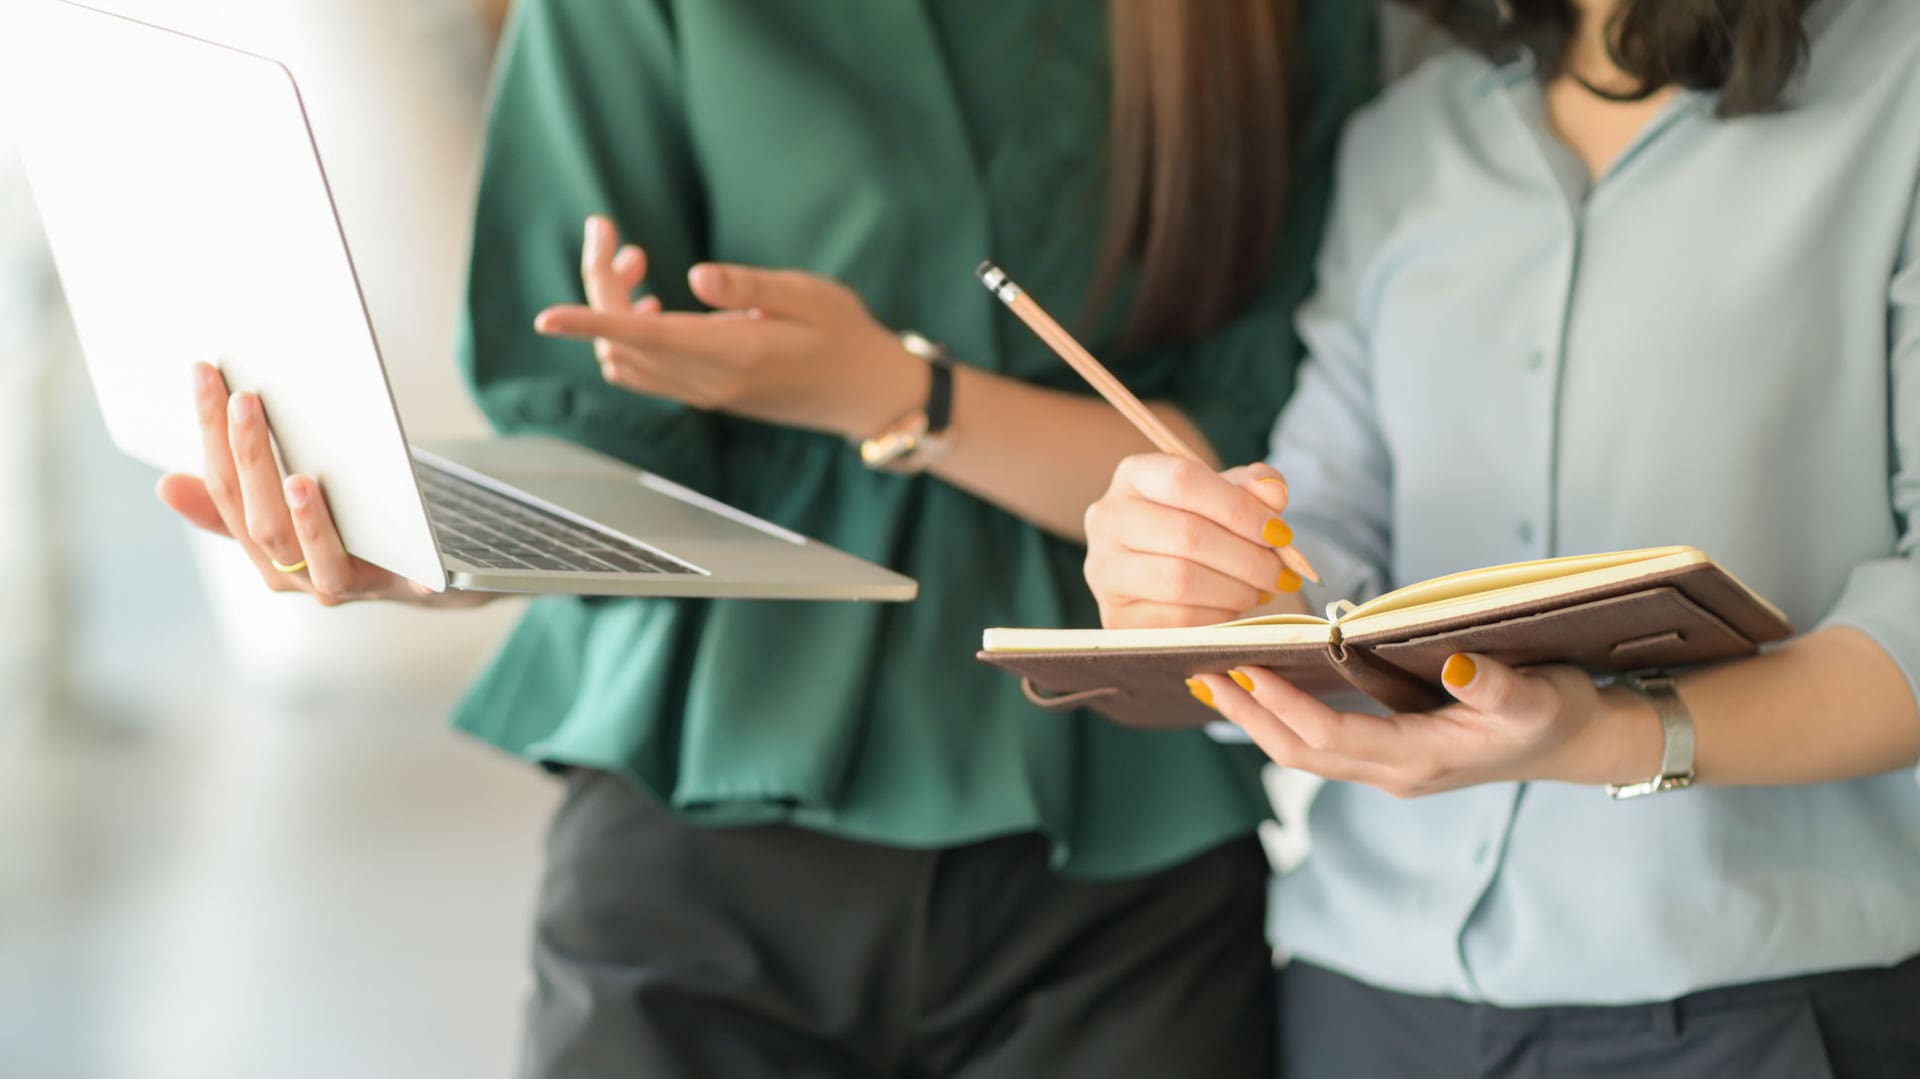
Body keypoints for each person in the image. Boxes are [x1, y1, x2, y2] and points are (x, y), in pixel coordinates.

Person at [157, 1, 1378, 1074]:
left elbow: (1262, 466)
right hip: (703, 818)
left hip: (1127, 853)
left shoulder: (1268, 20)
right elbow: (589, 436)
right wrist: (416, 554)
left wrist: (898, 394)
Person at [1082, 0, 1920, 1075]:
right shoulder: (1407, 138)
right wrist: (1206, 585)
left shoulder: (1896, 88)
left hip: (1755, 1005)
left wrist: (1606, 735)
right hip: (1367, 995)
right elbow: (1328, 536)